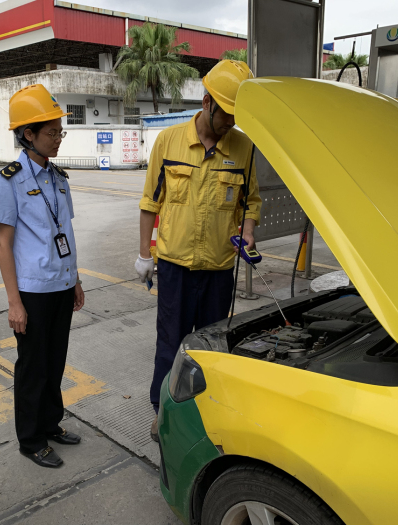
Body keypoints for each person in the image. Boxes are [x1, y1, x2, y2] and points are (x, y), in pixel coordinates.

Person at [136, 60, 262, 441]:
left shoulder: (243, 148)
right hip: (174, 267)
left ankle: (204, 415)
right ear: (207, 103)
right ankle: (163, 413)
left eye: (237, 117)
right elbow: (150, 202)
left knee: (211, 347)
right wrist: (144, 255)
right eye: (227, 114)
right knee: (170, 344)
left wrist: (249, 232)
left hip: (219, 270)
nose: (231, 123)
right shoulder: (169, 141)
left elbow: (250, 202)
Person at [0, 84, 85, 468]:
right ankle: (30, 440)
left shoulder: (58, 177)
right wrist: (14, 303)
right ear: (28, 134)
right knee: (33, 367)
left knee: (55, 362)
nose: (58, 138)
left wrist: (75, 279)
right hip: (32, 291)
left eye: (60, 132)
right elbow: (3, 244)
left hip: (61, 285)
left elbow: (66, 233)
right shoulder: (10, 180)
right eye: (51, 132)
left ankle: (50, 423)